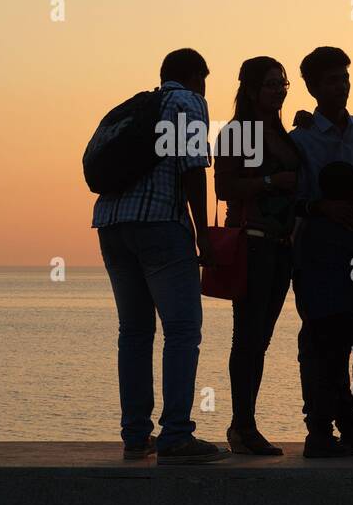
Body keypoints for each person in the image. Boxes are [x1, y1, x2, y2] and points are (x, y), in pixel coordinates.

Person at [93, 49, 228, 464]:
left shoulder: (133, 106)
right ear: (196, 76)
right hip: (159, 224)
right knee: (182, 331)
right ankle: (176, 434)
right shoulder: (188, 101)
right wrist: (204, 234)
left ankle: (135, 435)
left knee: (134, 332)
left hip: (112, 224)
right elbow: (192, 167)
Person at [290, 46, 353, 456]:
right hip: (317, 248)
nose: (342, 86)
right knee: (321, 338)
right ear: (313, 87)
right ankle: (320, 428)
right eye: (332, 79)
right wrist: (321, 207)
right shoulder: (298, 140)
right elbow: (289, 200)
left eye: (346, 78)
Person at [214, 56, 301, 455]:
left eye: (282, 83)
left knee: (259, 339)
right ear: (250, 89)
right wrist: (270, 181)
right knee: (247, 337)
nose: (279, 90)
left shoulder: (282, 133)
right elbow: (224, 187)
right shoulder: (239, 131)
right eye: (270, 84)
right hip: (252, 242)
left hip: (282, 246)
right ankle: (242, 426)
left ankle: (245, 425)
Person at [291, 161, 353, 457]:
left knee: (329, 370)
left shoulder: (309, 227)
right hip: (340, 309)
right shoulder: (351, 230)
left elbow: (300, 269)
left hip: (314, 308)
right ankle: (321, 434)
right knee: (333, 372)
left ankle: (342, 427)